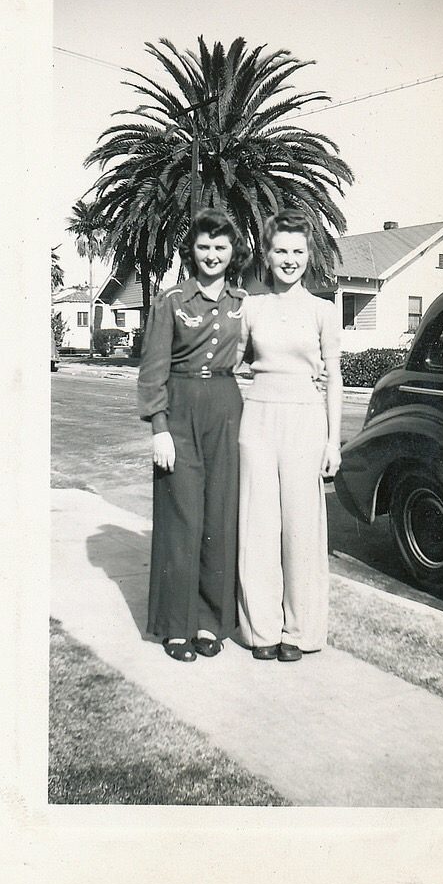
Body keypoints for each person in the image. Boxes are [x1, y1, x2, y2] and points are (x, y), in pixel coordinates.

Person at [138, 209, 250, 662]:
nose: (212, 255)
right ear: (192, 250)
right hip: (180, 410)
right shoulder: (170, 302)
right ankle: (176, 626)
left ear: (232, 252)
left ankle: (210, 621)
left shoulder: (243, 302)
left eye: (220, 247)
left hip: (226, 408)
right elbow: (152, 373)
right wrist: (159, 428)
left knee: (219, 518)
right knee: (181, 519)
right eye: (204, 246)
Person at [236, 210, 343, 662]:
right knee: (258, 527)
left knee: (301, 529)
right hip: (257, 419)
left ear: (309, 255)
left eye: (298, 251)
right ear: (267, 253)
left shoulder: (324, 310)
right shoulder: (252, 307)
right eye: (281, 250)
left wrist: (333, 441)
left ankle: (298, 631)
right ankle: (262, 629)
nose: (289, 259)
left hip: (305, 421)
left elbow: (334, 376)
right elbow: (227, 363)